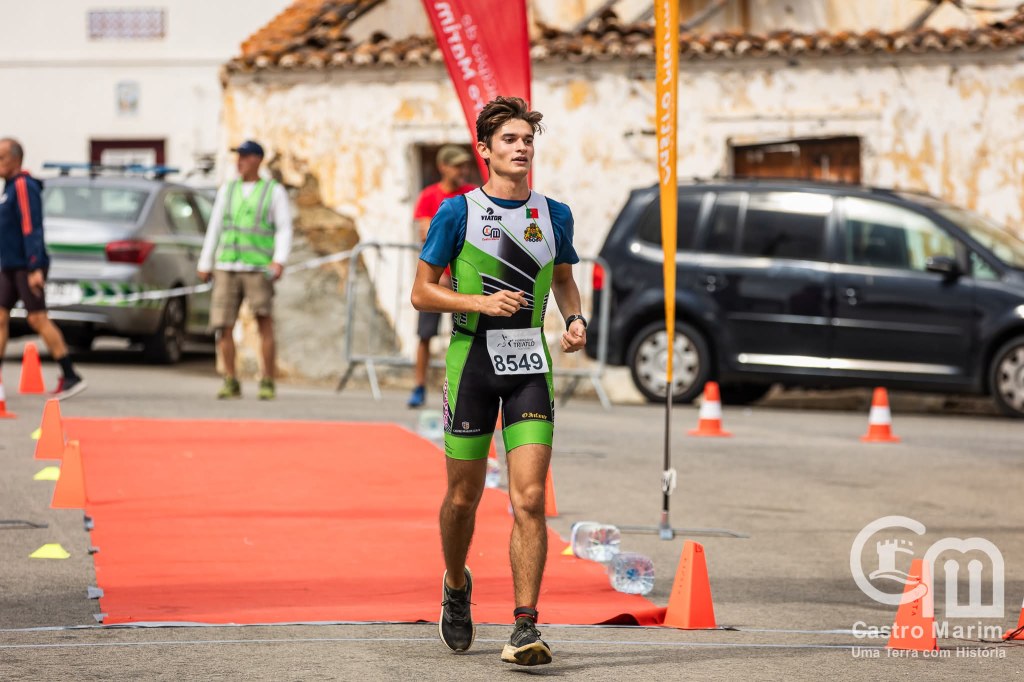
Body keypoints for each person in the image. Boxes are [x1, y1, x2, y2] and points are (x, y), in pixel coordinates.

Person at [411, 97, 587, 667]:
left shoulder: (555, 214)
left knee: (529, 497)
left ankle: (525, 626)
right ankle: (456, 583)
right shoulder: (457, 212)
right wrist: (478, 302)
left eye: (527, 139)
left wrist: (575, 319)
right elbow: (421, 292)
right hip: (471, 364)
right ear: (485, 150)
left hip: (530, 364)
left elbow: (563, 280)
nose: (522, 147)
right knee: (462, 498)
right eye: (510, 139)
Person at [198, 140, 292, 400]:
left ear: (258, 160)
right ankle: (230, 378)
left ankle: (267, 379)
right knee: (223, 324)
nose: (240, 162)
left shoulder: (273, 191)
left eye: (245, 156)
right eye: (238, 156)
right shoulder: (227, 190)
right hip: (227, 265)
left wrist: (279, 260)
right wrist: (205, 262)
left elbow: (284, 228)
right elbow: (215, 227)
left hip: (257, 267)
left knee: (264, 321)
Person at [0, 138, 86, 400]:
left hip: (27, 266)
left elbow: (31, 227)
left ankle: (70, 374)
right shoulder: (8, 188)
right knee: (0, 317)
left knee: (37, 318)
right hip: (9, 265)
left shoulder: (23, 186)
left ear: (16, 159)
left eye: (2, 157)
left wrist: (35, 267)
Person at [407, 144, 474, 408]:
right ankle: (419, 386)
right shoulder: (428, 196)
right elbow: (426, 233)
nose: (462, 170)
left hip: (463, 280)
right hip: (436, 279)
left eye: (464, 165)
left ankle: (462, 388)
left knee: (464, 335)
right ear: (443, 167)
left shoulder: (471, 194)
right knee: (425, 335)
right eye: (457, 165)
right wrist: (439, 275)